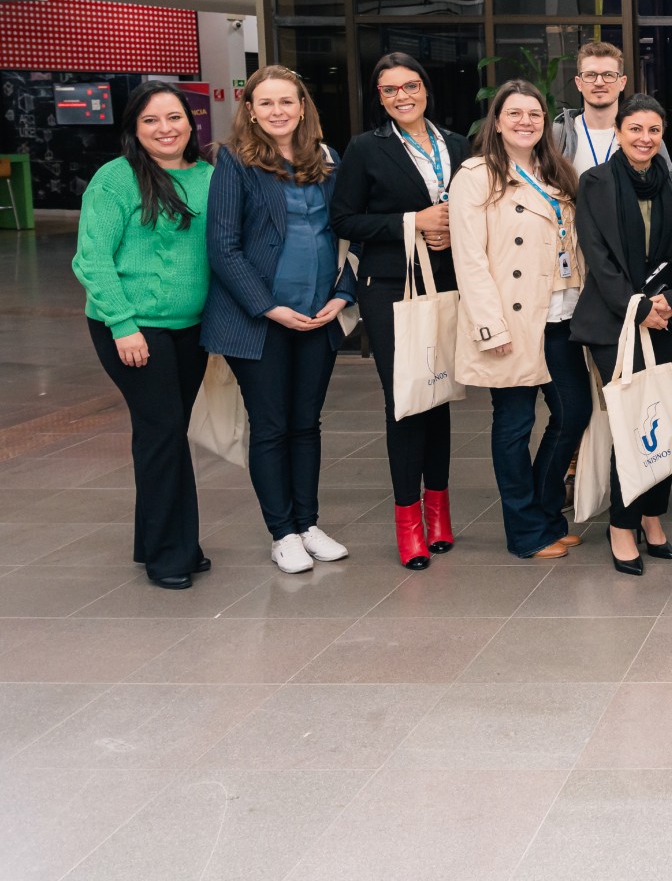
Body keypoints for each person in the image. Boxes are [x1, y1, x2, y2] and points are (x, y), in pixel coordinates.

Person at [202, 66, 357, 574]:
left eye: (286, 102)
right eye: (265, 103)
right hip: (260, 320)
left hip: (318, 314)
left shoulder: (327, 158)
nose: (277, 112)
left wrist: (342, 296)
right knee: (270, 427)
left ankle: (308, 524)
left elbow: (346, 233)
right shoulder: (234, 161)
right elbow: (222, 247)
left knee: (305, 424)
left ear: (302, 105)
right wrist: (268, 307)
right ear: (250, 109)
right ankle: (282, 532)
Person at [73, 82, 215, 590]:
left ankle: (165, 540)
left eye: (174, 117)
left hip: (190, 330)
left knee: (168, 433)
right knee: (161, 432)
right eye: (151, 120)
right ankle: (169, 555)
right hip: (133, 328)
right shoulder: (116, 179)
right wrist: (124, 325)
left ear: (190, 122)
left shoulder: (208, 177)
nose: (165, 128)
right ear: (135, 129)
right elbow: (91, 259)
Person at [331, 52, 471, 569]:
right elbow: (343, 219)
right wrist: (413, 220)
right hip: (391, 286)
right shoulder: (366, 149)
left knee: (440, 396)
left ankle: (439, 513)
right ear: (381, 98)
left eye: (410, 85)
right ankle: (408, 523)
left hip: (449, 283)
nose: (403, 96)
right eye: (391, 90)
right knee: (407, 401)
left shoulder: (456, 145)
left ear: (425, 89)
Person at [448, 81, 587, 560]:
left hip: (562, 314)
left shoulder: (556, 172)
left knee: (574, 413)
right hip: (512, 320)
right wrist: (491, 326)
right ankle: (526, 531)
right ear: (498, 121)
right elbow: (469, 259)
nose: (525, 121)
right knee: (514, 424)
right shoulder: (475, 176)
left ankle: (547, 514)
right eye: (515, 113)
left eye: (534, 114)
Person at [572, 94, 672, 575]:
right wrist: (637, 307)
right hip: (615, 323)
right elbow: (598, 256)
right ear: (619, 133)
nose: (644, 138)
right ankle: (621, 525)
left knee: (666, 419)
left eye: (653, 130)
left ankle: (652, 516)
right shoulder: (596, 183)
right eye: (635, 129)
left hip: (670, 321)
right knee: (632, 420)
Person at [553, 39, 672, 176]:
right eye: (590, 75)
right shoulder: (559, 134)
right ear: (578, 83)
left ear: (622, 83)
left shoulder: (645, 136)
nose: (599, 82)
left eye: (608, 75)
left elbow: (669, 186)